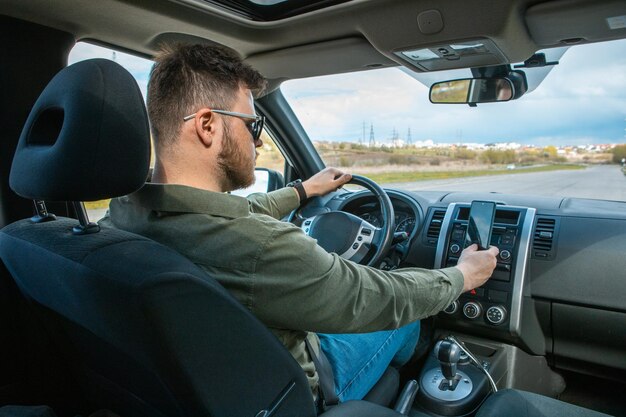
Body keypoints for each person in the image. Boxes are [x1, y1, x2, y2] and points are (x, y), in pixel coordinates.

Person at [100, 43, 499, 403]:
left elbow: (239, 211)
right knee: (409, 318)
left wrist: (301, 191)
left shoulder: (120, 216)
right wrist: (461, 276)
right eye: (252, 126)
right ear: (208, 126)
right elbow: (376, 297)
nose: (259, 142)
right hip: (296, 389)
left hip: (202, 387)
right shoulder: (263, 247)